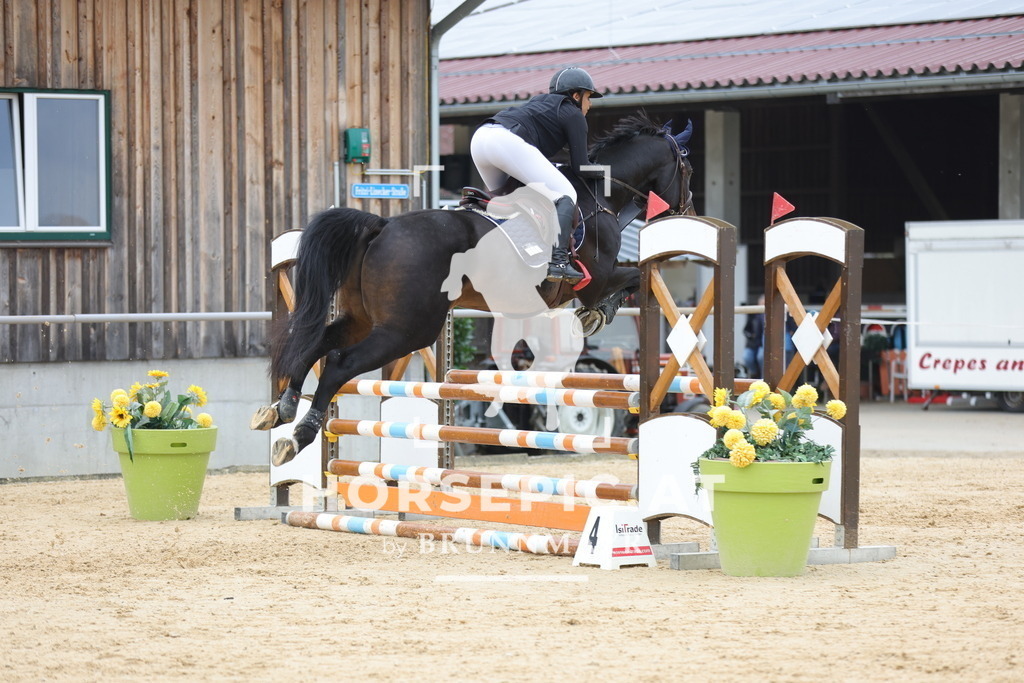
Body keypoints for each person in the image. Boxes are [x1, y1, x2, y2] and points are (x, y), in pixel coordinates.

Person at [470, 67, 603, 284]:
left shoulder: (540, 103)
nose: (590, 104)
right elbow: (581, 167)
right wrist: (606, 171)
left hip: (481, 139)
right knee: (566, 195)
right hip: (504, 142)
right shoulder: (573, 114)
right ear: (576, 96)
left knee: (506, 202)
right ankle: (558, 262)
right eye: (589, 97)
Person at [743, 294, 765, 378]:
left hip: (763, 344)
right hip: (753, 343)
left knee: (761, 357)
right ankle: (753, 374)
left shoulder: (772, 316)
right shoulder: (753, 316)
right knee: (747, 357)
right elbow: (746, 329)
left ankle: (763, 377)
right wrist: (751, 336)